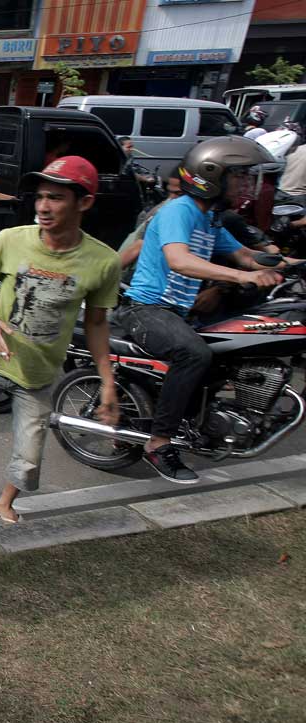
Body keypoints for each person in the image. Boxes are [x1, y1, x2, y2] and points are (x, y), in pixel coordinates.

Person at [0, 156, 122, 522]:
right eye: (40, 196)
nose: (43, 206)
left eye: (55, 198)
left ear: (84, 203)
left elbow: (96, 323)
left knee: (30, 451)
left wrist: (107, 382)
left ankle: (5, 501)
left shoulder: (103, 261)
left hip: (39, 375)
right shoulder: (10, 240)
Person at [117, 136, 283, 483]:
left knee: (229, 350)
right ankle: (158, 444)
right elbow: (179, 260)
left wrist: (292, 264)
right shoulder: (179, 211)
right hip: (147, 308)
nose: (244, 183)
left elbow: (246, 255)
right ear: (211, 176)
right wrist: (242, 276)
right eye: (238, 176)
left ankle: (194, 423)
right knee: (194, 354)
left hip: (178, 312)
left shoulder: (210, 220)